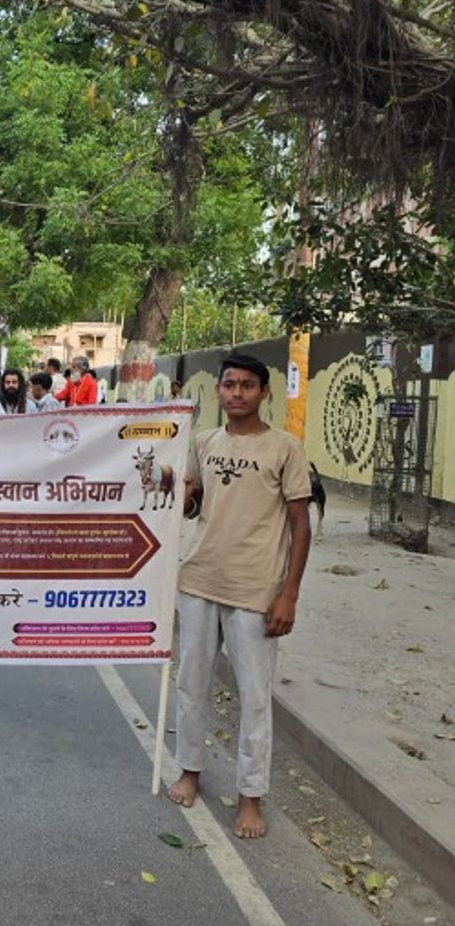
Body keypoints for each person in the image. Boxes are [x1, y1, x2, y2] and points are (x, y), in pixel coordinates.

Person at [167, 353, 311, 840]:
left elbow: (300, 525)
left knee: (254, 698)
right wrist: (177, 491)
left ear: (264, 392)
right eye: (229, 385)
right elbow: (188, 506)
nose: (236, 393)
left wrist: (288, 594)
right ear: (220, 392)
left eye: (247, 385)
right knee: (191, 685)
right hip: (200, 580)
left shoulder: (285, 449)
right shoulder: (203, 443)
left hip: (255, 589)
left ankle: (251, 797)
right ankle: (190, 769)